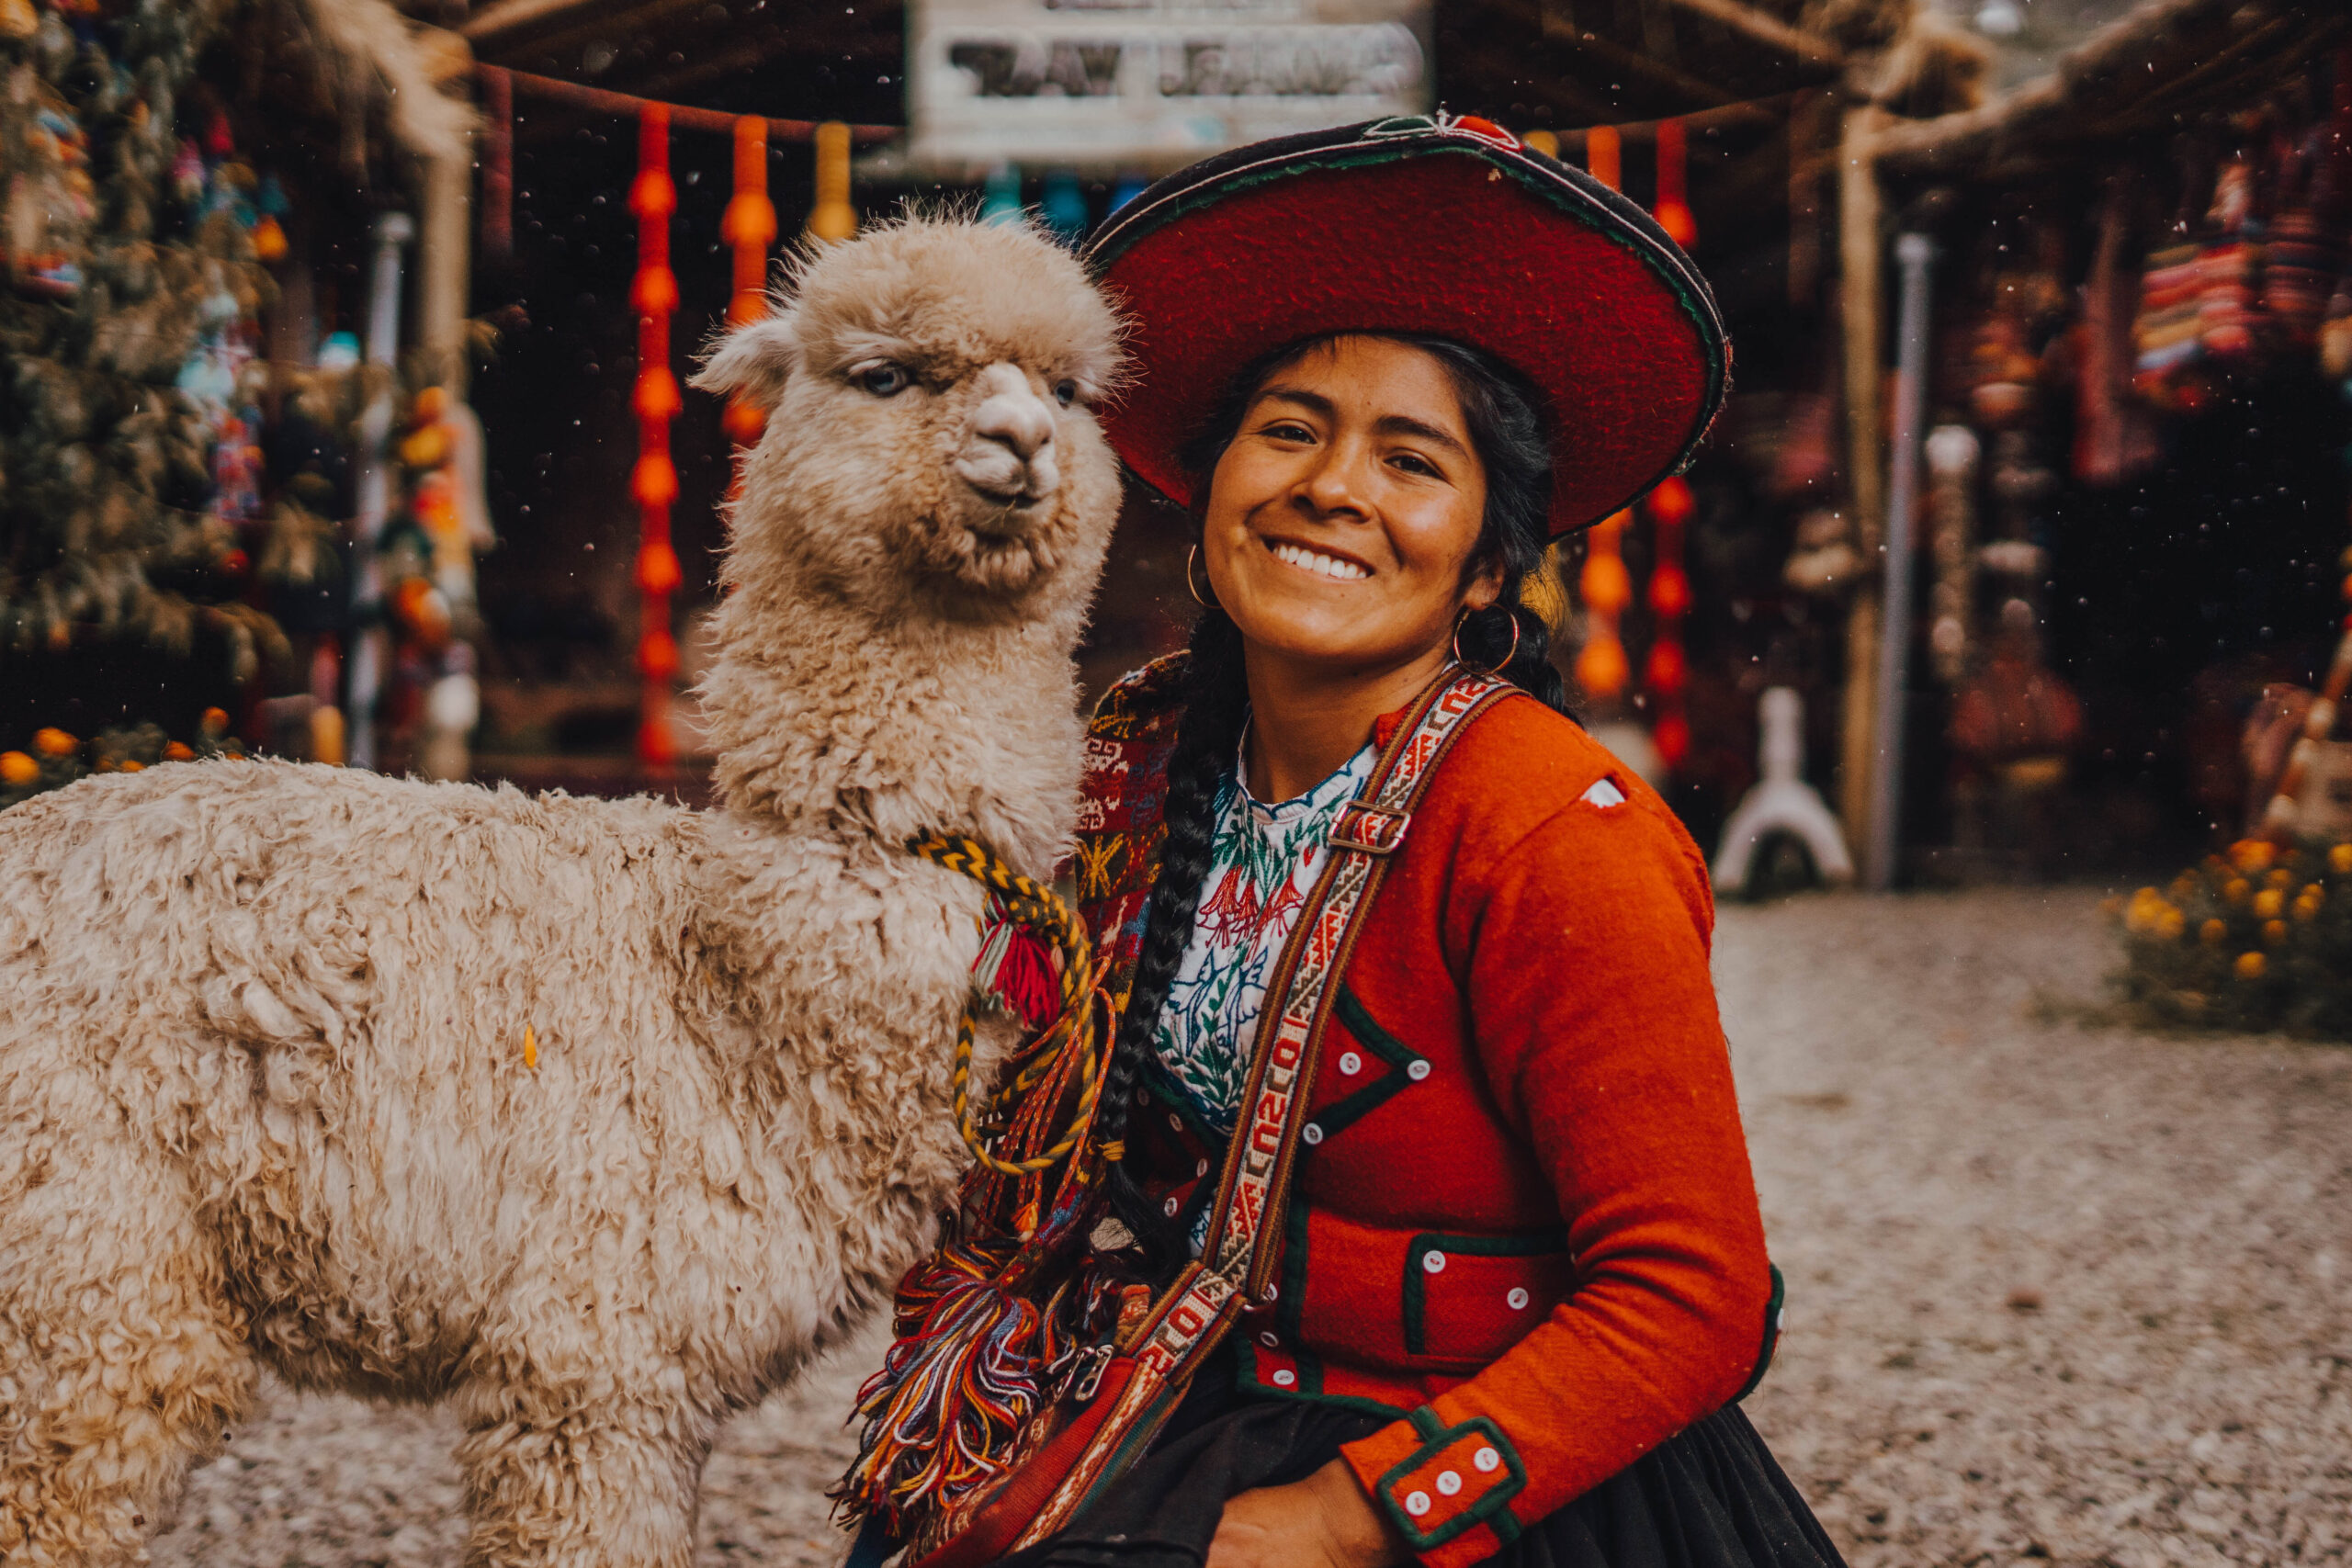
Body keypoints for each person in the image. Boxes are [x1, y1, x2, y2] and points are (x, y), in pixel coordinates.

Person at [839, 117, 1844, 1568]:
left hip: (1482, 1454)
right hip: (1196, 1385)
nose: (1333, 488)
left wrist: (1350, 1520)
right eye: (1293, 430)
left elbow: (1694, 1296)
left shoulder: (1556, 833)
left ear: (1491, 561)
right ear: (1212, 485)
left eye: (1413, 461)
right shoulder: (1127, 762)